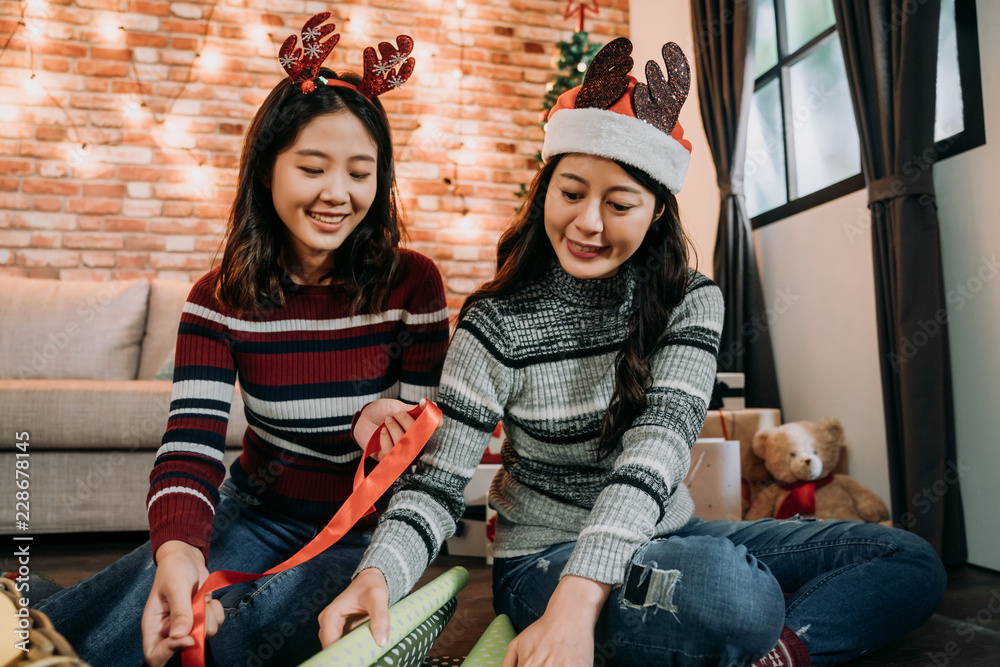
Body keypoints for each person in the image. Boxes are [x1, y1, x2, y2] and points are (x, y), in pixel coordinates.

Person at [320, 38, 947, 667]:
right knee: (732, 591)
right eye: (569, 193)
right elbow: (439, 483)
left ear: (655, 213)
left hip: (671, 535)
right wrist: (381, 573)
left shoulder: (691, 301)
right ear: (545, 193)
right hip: (543, 559)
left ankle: (774, 656)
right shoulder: (496, 320)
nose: (587, 223)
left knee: (906, 557)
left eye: (619, 204)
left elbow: (658, 449)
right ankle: (744, 636)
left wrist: (582, 605)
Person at [33, 14, 449, 667]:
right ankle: (35, 628)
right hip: (256, 507)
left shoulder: (413, 284)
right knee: (169, 603)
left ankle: (45, 615)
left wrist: (377, 428)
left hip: (368, 532)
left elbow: (429, 455)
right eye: (312, 167)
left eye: (360, 173)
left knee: (241, 637)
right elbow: (190, 446)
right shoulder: (217, 297)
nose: (337, 193)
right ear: (266, 171)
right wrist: (179, 549)